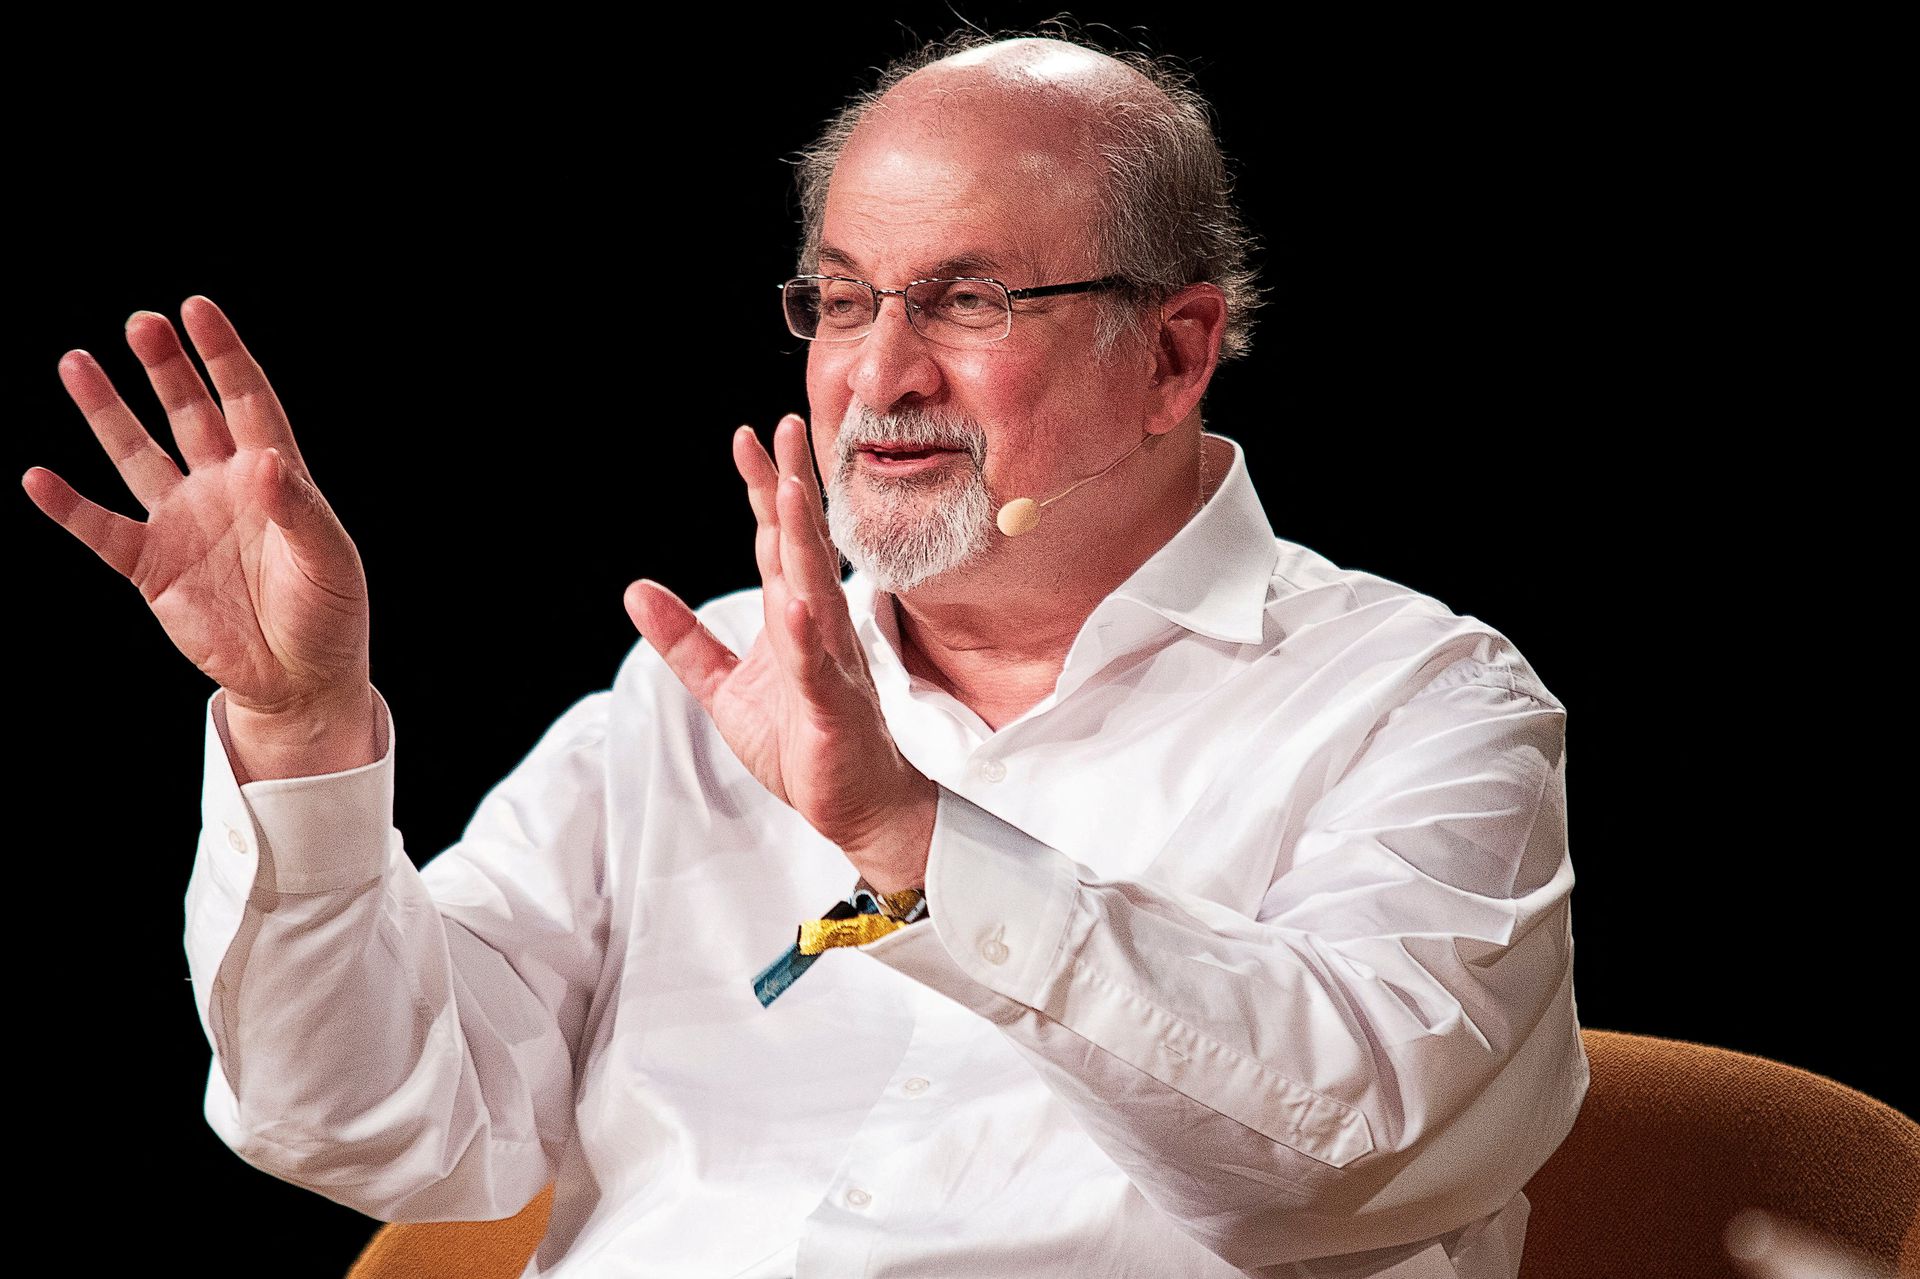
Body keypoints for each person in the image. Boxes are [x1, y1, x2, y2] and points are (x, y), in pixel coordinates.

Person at [22, 30, 1586, 1279]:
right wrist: (298, 732)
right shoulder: (705, 677)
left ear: (1173, 351)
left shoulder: (1420, 702)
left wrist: (910, 844)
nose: (880, 375)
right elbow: (382, 1123)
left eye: (966, 301)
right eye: (841, 302)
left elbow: (1357, 1155)